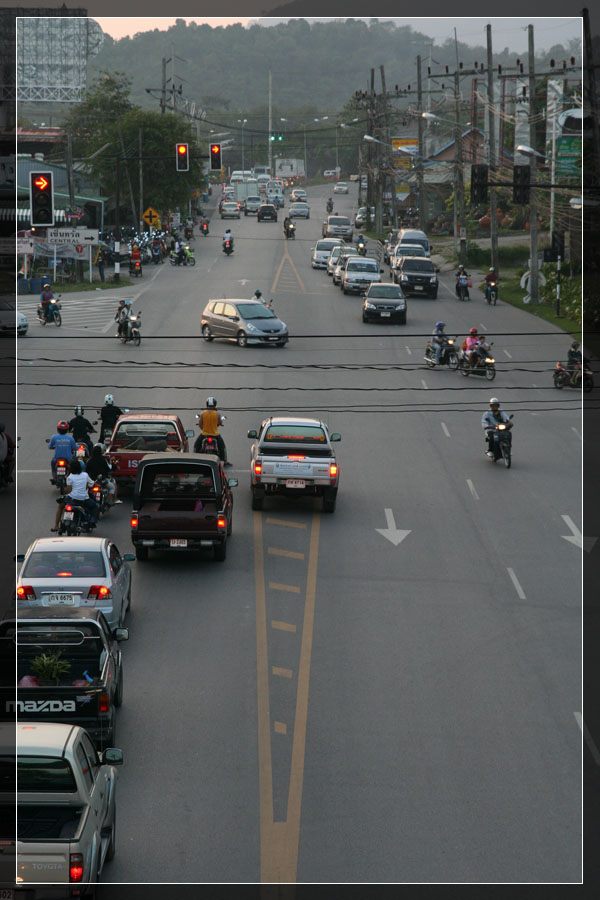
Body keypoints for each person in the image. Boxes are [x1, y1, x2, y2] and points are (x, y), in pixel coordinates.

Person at [52, 459, 99, 532]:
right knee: (94, 506)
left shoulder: (70, 477)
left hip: (72, 499)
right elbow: (91, 484)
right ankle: (92, 522)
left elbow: (69, 491)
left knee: (60, 506)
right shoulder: (85, 475)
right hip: (84, 499)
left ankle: (55, 526)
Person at [196, 397, 230, 466]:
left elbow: (200, 424)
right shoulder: (217, 414)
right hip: (215, 435)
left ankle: (195, 458)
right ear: (215, 405)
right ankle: (225, 460)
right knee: (222, 446)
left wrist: (203, 429)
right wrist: (219, 424)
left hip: (204, 434)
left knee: (196, 445)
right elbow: (220, 422)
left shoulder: (202, 413)